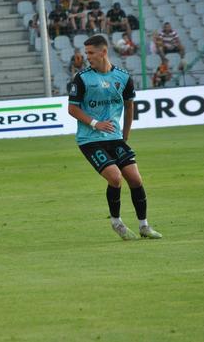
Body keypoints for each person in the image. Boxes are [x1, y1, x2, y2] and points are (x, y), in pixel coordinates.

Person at [67, 35, 162, 241]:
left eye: (91, 53)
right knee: (115, 177)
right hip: (90, 139)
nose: (87, 57)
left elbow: (129, 105)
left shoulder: (123, 77)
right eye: (86, 53)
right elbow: (72, 109)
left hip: (115, 137)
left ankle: (144, 226)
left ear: (104, 52)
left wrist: (125, 135)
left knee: (135, 179)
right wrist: (95, 123)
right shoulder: (82, 78)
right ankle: (117, 223)